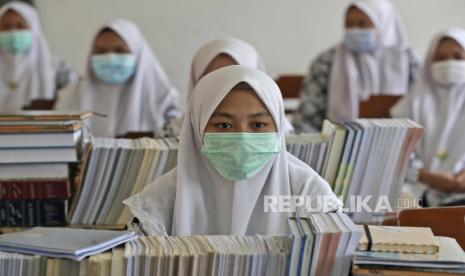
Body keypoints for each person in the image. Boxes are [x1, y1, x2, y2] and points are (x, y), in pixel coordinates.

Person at [124, 65, 341, 236]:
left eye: (258, 125)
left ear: (279, 128)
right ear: (196, 130)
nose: (243, 138)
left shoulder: (309, 193)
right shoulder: (157, 202)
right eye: (224, 125)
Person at [293, 0, 419, 133]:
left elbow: (418, 112)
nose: (354, 30)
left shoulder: (408, 61)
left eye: (362, 24)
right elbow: (308, 117)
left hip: (397, 144)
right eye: (349, 25)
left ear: (384, 24)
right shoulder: (327, 61)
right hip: (336, 145)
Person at [56, 19, 181, 138]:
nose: (110, 57)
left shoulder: (164, 98)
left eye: (120, 50)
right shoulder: (70, 96)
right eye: (101, 51)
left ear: (139, 55)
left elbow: (175, 141)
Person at [391, 28, 465, 207]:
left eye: (457, 57)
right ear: (430, 62)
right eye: (440, 58)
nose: (449, 63)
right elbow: (397, 151)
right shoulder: (411, 104)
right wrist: (427, 177)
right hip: (418, 189)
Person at [0, 2, 76, 112]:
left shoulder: (59, 70)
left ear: (34, 28)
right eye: (6, 27)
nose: (13, 32)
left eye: (20, 26)